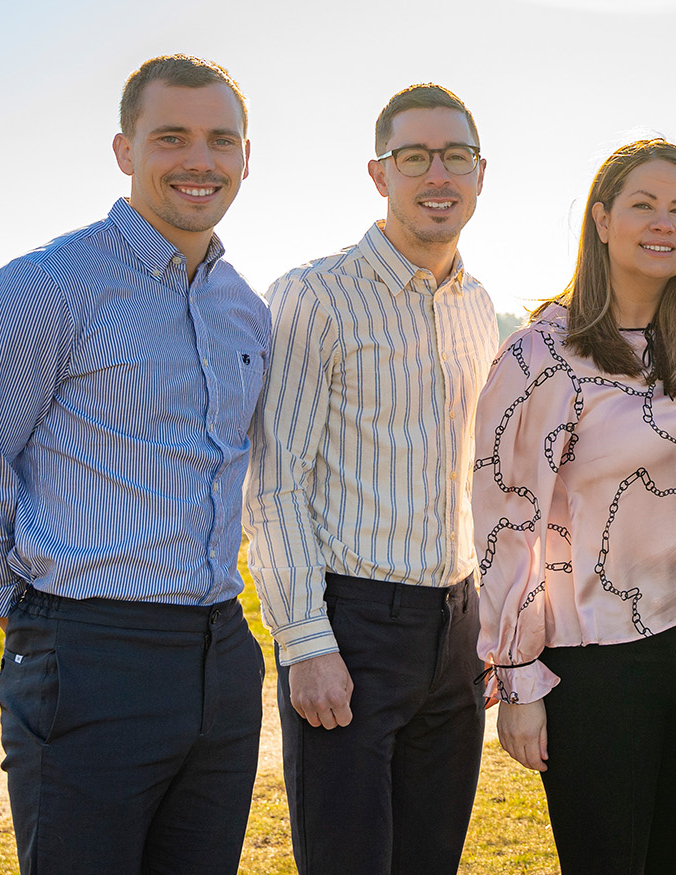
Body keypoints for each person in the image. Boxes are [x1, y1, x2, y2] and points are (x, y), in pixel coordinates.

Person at [0, 55, 268, 873]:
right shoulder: (45, 286)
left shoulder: (244, 309)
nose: (200, 160)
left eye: (220, 139)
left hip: (222, 655)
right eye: (172, 137)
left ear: (243, 155)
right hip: (90, 653)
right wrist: (26, 609)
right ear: (125, 151)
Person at [244, 83, 498, 874]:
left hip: (454, 629)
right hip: (350, 627)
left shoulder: (479, 305)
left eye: (455, 157)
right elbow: (274, 484)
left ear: (480, 174)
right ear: (378, 173)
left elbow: (469, 476)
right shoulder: (313, 298)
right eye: (414, 156)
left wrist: (481, 617)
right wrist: (305, 642)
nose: (438, 175)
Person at [475, 138, 676, 875]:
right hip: (596, 668)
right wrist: (518, 679)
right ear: (601, 220)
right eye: (643, 205)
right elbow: (504, 523)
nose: (663, 222)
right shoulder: (541, 353)